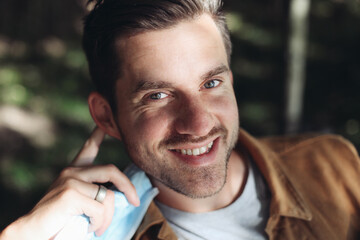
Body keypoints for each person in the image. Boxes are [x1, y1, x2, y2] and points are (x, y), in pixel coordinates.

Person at [1, 0, 360, 239]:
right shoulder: (90, 234)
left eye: (211, 83)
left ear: (230, 82)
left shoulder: (334, 165)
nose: (199, 123)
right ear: (106, 116)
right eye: (158, 95)